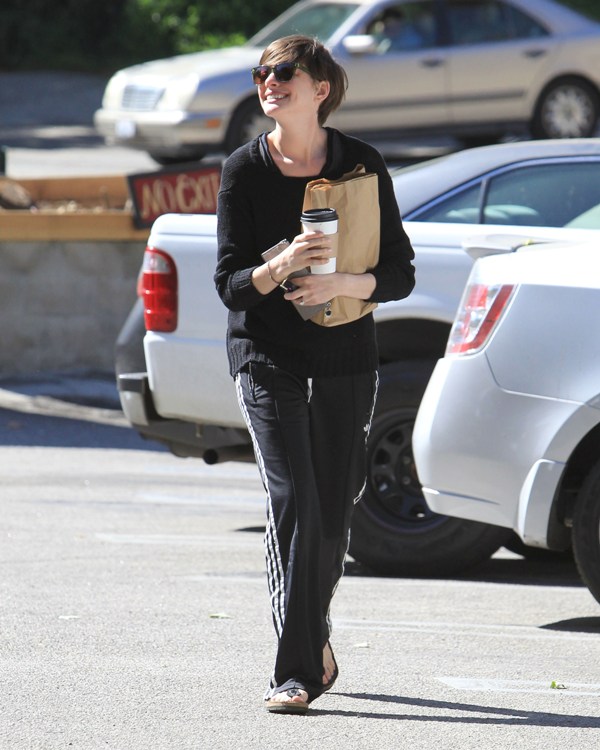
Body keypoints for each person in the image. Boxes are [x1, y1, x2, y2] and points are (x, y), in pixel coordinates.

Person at [214, 35, 415, 714]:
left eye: (283, 72)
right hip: (266, 353)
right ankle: (295, 671)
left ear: (320, 88)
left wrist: (341, 283)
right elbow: (231, 285)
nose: (268, 82)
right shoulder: (244, 170)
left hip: (344, 353)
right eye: (261, 73)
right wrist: (282, 265)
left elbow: (400, 272)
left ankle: (313, 632)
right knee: (295, 501)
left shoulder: (362, 163)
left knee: (332, 510)